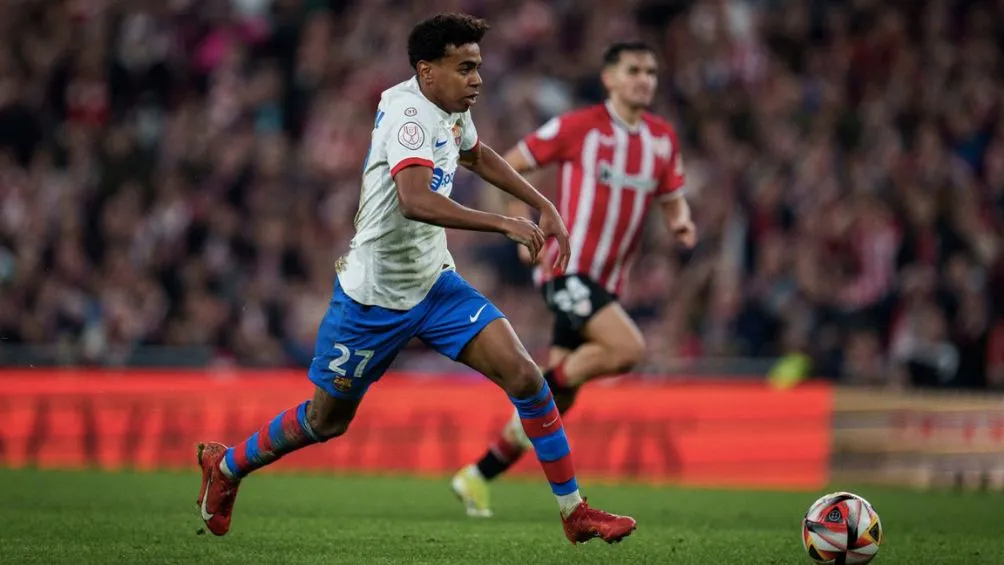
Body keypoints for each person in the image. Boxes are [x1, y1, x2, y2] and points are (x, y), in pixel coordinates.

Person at [195, 13, 637, 544]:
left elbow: (476, 155)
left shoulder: (450, 109)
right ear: (428, 71)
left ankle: (573, 512)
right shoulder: (409, 115)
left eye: (478, 67)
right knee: (326, 421)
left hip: (435, 286)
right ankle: (227, 466)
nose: (477, 79)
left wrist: (542, 202)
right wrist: (503, 222)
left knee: (527, 379)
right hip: (372, 300)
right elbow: (414, 200)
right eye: (465, 68)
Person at [452, 40, 697, 517]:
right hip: (568, 268)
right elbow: (511, 164)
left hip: (608, 280)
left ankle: (477, 475)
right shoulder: (579, 126)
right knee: (629, 349)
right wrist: (519, 221)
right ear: (609, 78)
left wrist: (681, 222)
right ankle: (541, 387)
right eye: (633, 70)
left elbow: (672, 195)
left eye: (650, 72)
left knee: (558, 404)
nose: (644, 79)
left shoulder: (662, 139)